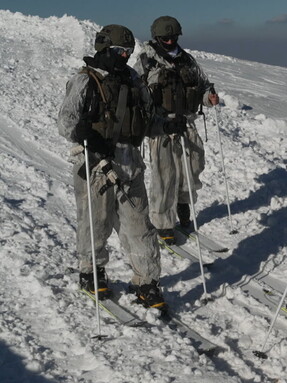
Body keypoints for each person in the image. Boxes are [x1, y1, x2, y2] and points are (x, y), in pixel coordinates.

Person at [57, 24, 166, 310]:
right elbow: (65, 121)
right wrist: (83, 132)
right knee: (96, 221)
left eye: (129, 52)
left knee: (140, 226)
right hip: (94, 164)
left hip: (130, 164)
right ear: (104, 48)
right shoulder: (85, 81)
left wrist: (167, 125)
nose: (125, 57)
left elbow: (147, 118)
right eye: (119, 51)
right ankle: (91, 270)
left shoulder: (133, 79)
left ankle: (147, 281)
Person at [134, 16, 219, 245]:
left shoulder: (187, 60)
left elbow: (202, 86)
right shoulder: (146, 62)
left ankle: (183, 205)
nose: (170, 41)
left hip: (187, 124)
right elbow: (137, 96)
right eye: (165, 38)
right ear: (156, 37)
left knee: (193, 168)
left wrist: (208, 98)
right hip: (162, 128)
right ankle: (163, 224)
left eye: (173, 37)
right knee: (165, 176)